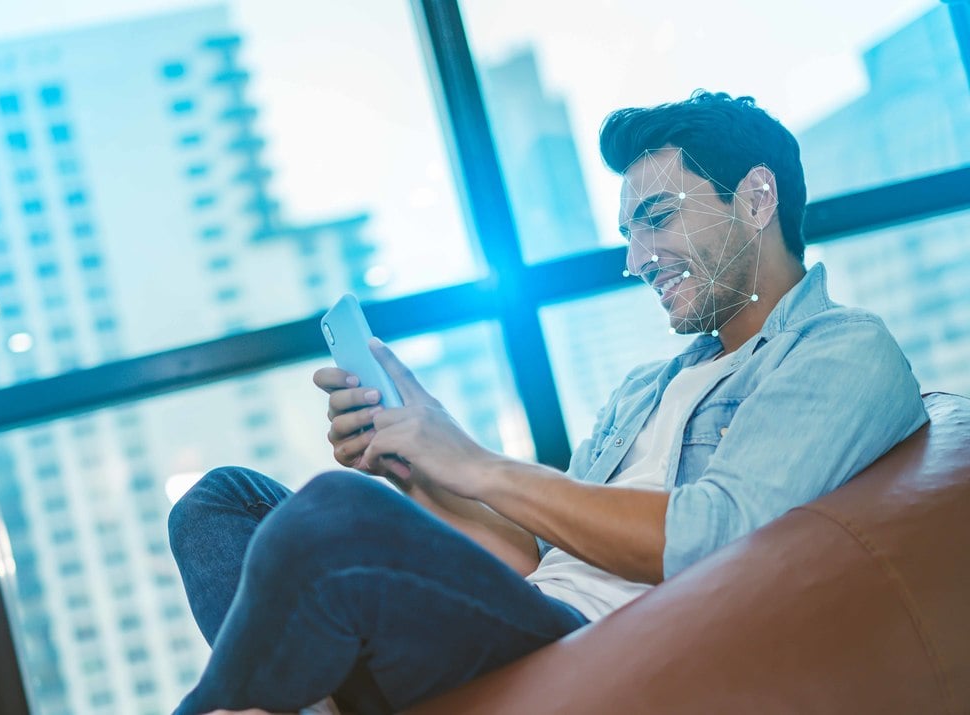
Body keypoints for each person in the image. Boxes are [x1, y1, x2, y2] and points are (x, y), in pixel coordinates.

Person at [166, 91, 928, 715]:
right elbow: (538, 556)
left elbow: (709, 535)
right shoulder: (646, 389)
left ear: (756, 198)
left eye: (657, 218)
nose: (635, 260)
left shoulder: (841, 350)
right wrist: (420, 464)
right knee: (217, 502)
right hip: (525, 610)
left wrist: (476, 463)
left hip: (590, 640)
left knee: (333, 516)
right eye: (628, 233)